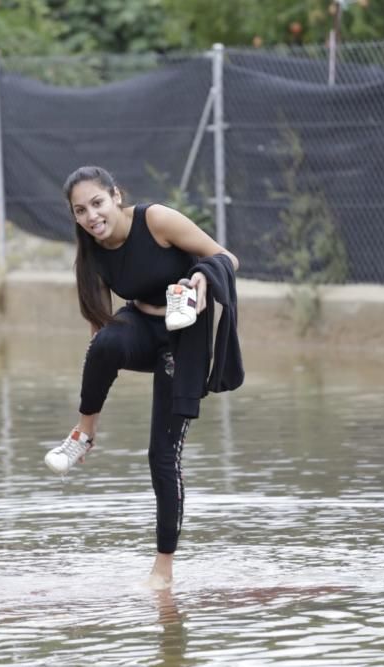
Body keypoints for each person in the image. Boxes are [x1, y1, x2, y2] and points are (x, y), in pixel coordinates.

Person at [44, 165, 243, 589]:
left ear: (116, 195)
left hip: (183, 335)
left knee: (162, 456)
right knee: (103, 344)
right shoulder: (92, 247)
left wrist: (202, 278)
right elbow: (100, 327)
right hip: (141, 324)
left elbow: (227, 258)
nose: (91, 216)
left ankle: (163, 571)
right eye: (80, 210)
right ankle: (84, 436)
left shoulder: (156, 220)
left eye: (97, 202)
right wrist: (98, 363)